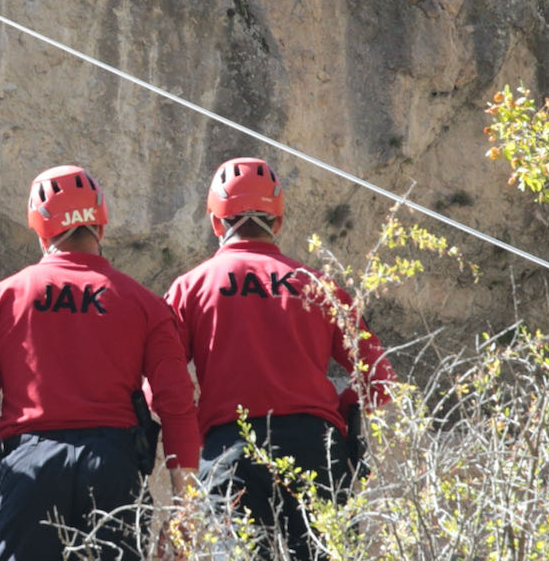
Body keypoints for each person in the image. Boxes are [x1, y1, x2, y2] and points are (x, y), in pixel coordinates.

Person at [0, 165, 201, 561]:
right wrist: (185, 510)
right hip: (113, 469)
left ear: (40, 230)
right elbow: (176, 406)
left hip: (27, 469)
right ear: (101, 226)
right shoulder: (146, 305)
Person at [164, 157, 397, 560]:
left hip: (230, 452)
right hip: (317, 450)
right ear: (279, 221)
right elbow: (380, 378)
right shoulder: (317, 284)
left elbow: (161, 387)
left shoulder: (191, 287)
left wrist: (201, 422)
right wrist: (341, 413)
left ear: (217, 223)